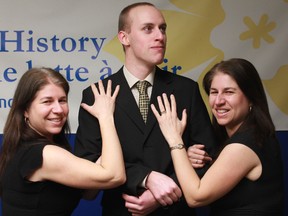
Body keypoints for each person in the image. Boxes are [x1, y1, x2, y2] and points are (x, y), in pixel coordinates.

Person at [74, 2, 217, 216]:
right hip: (121, 211)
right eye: (148, 29)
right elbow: (88, 165)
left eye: (163, 28)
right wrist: (146, 177)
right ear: (125, 38)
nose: (160, 36)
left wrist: (166, 191)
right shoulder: (96, 94)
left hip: (176, 211)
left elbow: (208, 157)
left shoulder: (186, 89)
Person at [151, 58, 284, 215]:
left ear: (251, 97)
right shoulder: (245, 138)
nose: (218, 101)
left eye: (229, 92)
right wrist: (186, 157)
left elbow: (195, 197)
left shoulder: (243, 146)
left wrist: (175, 139)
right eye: (214, 92)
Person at [0, 67, 126, 215]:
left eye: (62, 100)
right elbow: (115, 176)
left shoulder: (24, 147)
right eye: (47, 101)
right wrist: (105, 116)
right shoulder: (44, 154)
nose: (58, 109)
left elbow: (88, 193)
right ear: (25, 110)